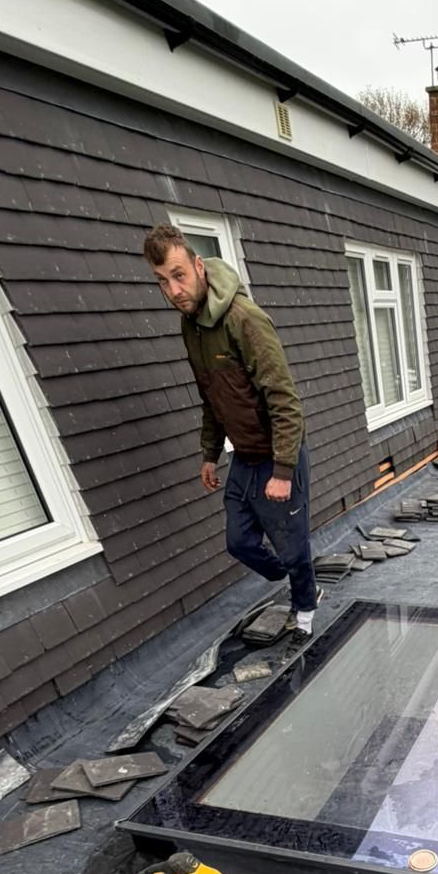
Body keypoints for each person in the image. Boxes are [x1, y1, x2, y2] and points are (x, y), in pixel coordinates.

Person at [142, 225, 320, 633]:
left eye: (178, 275)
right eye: (162, 282)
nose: (173, 290)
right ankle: (290, 577)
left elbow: (285, 400)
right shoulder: (192, 327)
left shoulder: (245, 320)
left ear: (199, 266)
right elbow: (212, 397)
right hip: (243, 456)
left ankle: (305, 611)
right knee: (239, 542)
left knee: (292, 544)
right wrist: (209, 453)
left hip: (277, 455)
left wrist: (283, 472)